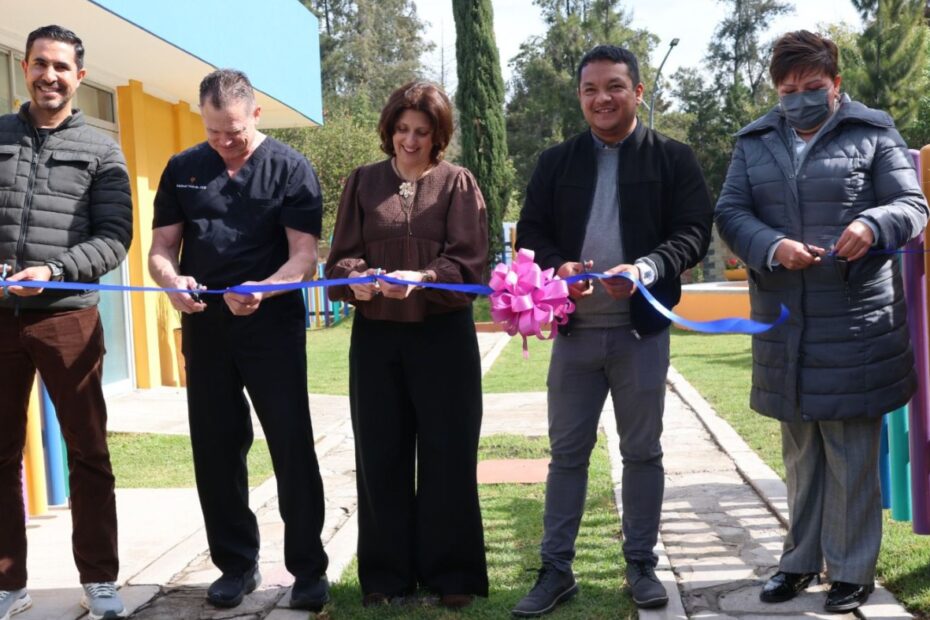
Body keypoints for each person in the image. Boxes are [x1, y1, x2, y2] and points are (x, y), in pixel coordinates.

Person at [715, 30, 928, 613]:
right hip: (785, 322)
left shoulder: (873, 132)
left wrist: (873, 224)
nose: (800, 99)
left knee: (852, 452)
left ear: (836, 83)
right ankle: (799, 562)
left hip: (856, 323)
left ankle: (852, 571)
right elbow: (730, 212)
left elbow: (912, 205)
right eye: (788, 91)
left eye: (812, 87)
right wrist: (772, 245)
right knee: (801, 453)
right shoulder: (755, 141)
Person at [513, 45, 713, 616]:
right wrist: (559, 267)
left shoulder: (673, 158)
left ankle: (641, 565)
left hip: (640, 335)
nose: (602, 98)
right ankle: (556, 569)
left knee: (642, 452)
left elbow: (693, 231)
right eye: (590, 89)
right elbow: (532, 231)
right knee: (566, 455)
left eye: (614, 87)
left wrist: (647, 269)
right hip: (574, 336)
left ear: (638, 92)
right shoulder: (556, 162)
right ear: (580, 96)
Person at [148, 69, 330, 612]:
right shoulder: (182, 168)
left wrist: (263, 290)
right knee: (216, 447)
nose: (225, 143)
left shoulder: (291, 168)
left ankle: (308, 568)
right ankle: (235, 564)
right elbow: (160, 249)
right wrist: (171, 281)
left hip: (270, 326)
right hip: (205, 327)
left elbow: (303, 256)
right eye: (213, 133)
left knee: (291, 444)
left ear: (256, 114)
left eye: (235, 132)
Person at [325, 81, 489, 609]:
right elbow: (339, 260)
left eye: (422, 131)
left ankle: (453, 574)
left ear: (438, 135)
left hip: (443, 336)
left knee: (448, 451)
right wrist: (357, 279)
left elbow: (470, 262)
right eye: (402, 129)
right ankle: (386, 575)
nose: (410, 141)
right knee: (380, 453)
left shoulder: (458, 183)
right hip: (377, 335)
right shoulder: (362, 182)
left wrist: (424, 277)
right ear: (389, 130)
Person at [0, 24, 133, 620]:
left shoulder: (102, 150)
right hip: (0, 322)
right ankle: (7, 584)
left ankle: (99, 579)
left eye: (60, 67)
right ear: (24, 68)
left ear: (79, 76)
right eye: (39, 64)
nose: (48, 76)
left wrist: (54, 270)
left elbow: (115, 237)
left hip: (68, 318)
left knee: (89, 453)